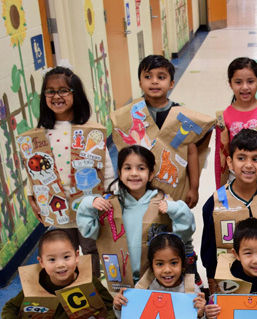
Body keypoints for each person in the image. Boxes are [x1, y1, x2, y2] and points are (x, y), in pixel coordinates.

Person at [26, 66, 115, 273]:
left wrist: (111, 193)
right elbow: (31, 168)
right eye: (50, 91)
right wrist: (31, 195)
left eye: (63, 90)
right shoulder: (40, 134)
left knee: (91, 248)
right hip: (56, 206)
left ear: (76, 93)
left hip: (87, 204)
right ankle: (73, 287)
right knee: (64, 251)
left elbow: (105, 166)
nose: (56, 96)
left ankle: (93, 286)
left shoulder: (91, 130)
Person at [77, 146, 195, 286]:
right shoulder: (109, 204)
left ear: (151, 174)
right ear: (119, 173)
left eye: (141, 168)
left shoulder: (161, 202)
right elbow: (88, 230)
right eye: (127, 168)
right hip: (121, 280)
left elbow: (185, 232)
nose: (134, 173)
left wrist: (175, 208)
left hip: (156, 280)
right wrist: (89, 203)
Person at [201, 129, 257, 293]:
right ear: (229, 162)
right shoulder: (214, 203)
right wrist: (213, 289)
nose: (248, 165)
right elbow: (208, 253)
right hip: (229, 287)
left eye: (256, 159)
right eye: (241, 158)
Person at [137, 54, 201, 208]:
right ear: (140, 83)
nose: (154, 81)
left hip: (172, 188)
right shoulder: (134, 114)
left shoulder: (179, 115)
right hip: (140, 188)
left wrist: (194, 188)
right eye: (148, 76)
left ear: (171, 83)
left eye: (161, 77)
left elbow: (191, 152)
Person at [215, 57, 257, 188]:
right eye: (238, 82)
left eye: (250, 81)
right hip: (235, 182)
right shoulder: (224, 117)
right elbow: (220, 157)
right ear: (230, 83)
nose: (245, 87)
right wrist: (220, 188)